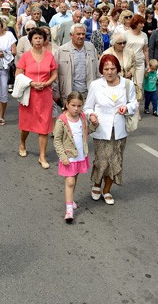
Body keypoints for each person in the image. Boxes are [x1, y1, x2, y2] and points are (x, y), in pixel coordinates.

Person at [85, 54, 137, 205]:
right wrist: (92, 115)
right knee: (102, 161)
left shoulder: (127, 84)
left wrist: (126, 107)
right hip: (101, 129)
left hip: (119, 130)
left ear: (118, 69)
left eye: (112, 68)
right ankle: (96, 185)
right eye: (106, 69)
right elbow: (87, 107)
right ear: (102, 70)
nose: (109, 72)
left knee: (116, 161)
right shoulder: (95, 85)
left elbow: (134, 103)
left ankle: (107, 190)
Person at [15, 27, 57, 169]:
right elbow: (18, 74)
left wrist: (46, 83)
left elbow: (54, 73)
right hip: (29, 94)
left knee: (44, 126)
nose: (38, 40)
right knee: (26, 124)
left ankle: (42, 156)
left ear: (44, 39)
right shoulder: (25, 56)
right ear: (31, 40)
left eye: (40, 38)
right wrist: (31, 83)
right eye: (35, 38)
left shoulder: (50, 56)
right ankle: (22, 142)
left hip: (45, 94)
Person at [53, 92, 92, 223]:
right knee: (70, 182)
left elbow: (87, 131)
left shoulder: (82, 118)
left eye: (79, 106)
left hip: (80, 155)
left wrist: (95, 124)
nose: (76, 108)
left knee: (74, 179)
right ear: (67, 104)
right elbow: (57, 140)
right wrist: (62, 156)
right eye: (73, 105)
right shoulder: (61, 121)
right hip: (68, 157)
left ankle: (71, 200)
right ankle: (69, 210)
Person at [53, 23, 99, 105]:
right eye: (78, 34)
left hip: (88, 93)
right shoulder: (62, 50)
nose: (81, 36)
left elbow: (97, 70)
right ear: (71, 35)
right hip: (69, 93)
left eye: (83, 34)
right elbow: (55, 73)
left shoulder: (91, 48)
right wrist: (56, 93)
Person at [124, 14, 149, 93]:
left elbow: (145, 50)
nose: (143, 25)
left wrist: (147, 64)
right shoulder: (126, 34)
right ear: (135, 23)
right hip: (128, 63)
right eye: (141, 23)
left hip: (140, 63)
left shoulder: (144, 35)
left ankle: (137, 104)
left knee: (139, 87)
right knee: (127, 86)